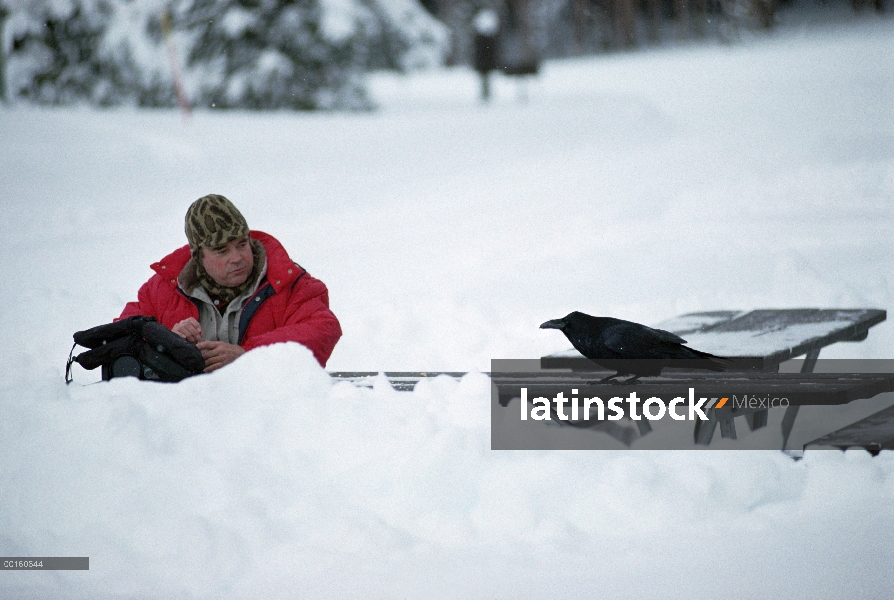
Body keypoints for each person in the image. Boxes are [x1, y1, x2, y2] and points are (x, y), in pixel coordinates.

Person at [119, 194, 341, 372]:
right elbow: (121, 338)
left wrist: (248, 356)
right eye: (222, 250)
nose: (237, 257)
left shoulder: (290, 282)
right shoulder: (160, 291)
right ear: (198, 256)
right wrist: (165, 340)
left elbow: (323, 329)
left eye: (242, 244)